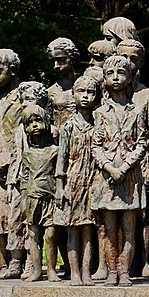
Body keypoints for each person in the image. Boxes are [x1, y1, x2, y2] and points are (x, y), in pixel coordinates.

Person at [91, 56, 148, 287]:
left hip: (130, 177)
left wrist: (124, 167)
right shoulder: (100, 113)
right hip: (107, 178)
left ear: (129, 78)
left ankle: (124, 271)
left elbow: (142, 142)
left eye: (121, 73)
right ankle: (112, 270)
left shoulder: (137, 111)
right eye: (110, 74)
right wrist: (109, 167)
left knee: (128, 229)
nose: (116, 78)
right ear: (104, 79)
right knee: (109, 229)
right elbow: (95, 145)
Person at [55, 73, 101, 286]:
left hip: (93, 181)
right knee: (73, 229)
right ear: (73, 95)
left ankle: (86, 271)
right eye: (81, 92)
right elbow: (61, 159)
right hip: (73, 182)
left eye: (90, 92)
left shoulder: (98, 125)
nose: (85, 96)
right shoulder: (68, 127)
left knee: (88, 229)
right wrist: (59, 186)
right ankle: (74, 272)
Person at [0, 49, 24, 278]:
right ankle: (4, 261)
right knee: (0, 216)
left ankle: (19, 262)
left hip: (16, 166)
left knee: (17, 215)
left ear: (12, 70)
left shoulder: (22, 99)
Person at [13, 105, 58, 283]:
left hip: (50, 197)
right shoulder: (27, 154)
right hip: (31, 198)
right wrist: (23, 200)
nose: (35, 126)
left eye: (38, 121)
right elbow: (24, 178)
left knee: (51, 235)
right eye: (30, 123)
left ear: (46, 122)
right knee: (33, 235)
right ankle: (37, 270)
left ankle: (52, 270)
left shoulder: (55, 150)